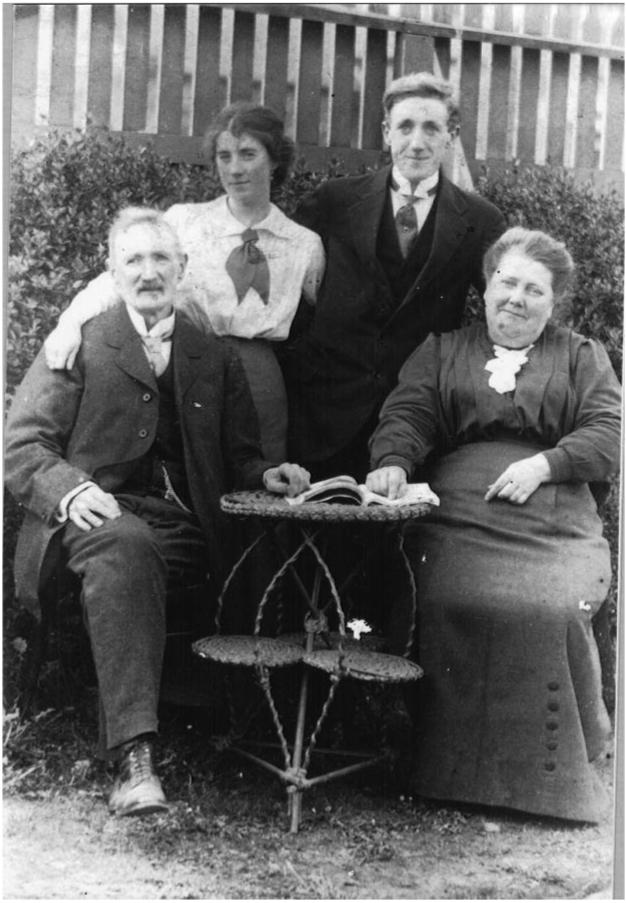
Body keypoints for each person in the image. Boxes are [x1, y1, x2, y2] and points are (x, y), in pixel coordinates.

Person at [5, 207, 310, 817]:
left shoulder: (212, 355)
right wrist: (70, 490)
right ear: (113, 272)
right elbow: (21, 445)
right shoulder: (80, 342)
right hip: (89, 518)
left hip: (181, 527)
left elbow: (241, 457)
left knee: (147, 551)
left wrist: (267, 475)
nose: (148, 272)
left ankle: (225, 722)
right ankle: (134, 759)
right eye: (134, 260)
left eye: (160, 258)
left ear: (183, 267)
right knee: (126, 546)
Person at [366, 227, 621, 823]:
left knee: (549, 607)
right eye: (507, 282)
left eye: (534, 289)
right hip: (458, 514)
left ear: (553, 302)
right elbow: (409, 413)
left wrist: (545, 464)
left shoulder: (581, 356)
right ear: (485, 287)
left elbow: (610, 432)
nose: (516, 298)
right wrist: (393, 461)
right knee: (448, 597)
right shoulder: (443, 349)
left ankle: (551, 786)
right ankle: (443, 773)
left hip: (555, 519)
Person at [43, 103, 325, 461]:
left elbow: (323, 326)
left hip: (259, 380)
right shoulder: (185, 222)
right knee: (193, 468)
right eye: (224, 156)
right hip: (188, 364)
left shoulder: (303, 245)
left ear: (274, 161)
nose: (234, 169)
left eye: (248, 154)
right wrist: (69, 323)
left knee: (259, 471)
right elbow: (120, 280)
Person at [287, 71, 506, 480]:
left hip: (417, 425)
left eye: (431, 128)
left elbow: (504, 308)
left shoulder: (480, 220)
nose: (417, 142)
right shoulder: (334, 202)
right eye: (405, 127)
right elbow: (289, 299)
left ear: (451, 136)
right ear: (387, 132)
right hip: (322, 418)